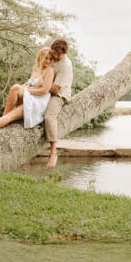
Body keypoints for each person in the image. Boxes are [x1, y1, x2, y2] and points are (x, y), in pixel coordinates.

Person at [0, 47, 55, 134]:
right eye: (46, 58)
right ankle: (2, 119)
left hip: (38, 101)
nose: (48, 61)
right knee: (15, 88)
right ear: (40, 57)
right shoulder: (36, 69)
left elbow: (44, 90)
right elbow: (29, 84)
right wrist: (25, 87)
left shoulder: (49, 70)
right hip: (31, 96)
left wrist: (27, 90)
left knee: (11, 114)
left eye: (50, 59)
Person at [44, 38, 73, 168]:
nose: (55, 56)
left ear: (64, 53)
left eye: (58, 54)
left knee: (49, 116)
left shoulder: (66, 65)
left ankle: (53, 152)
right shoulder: (50, 56)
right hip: (45, 90)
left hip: (59, 94)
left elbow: (56, 88)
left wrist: (39, 88)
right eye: (54, 52)